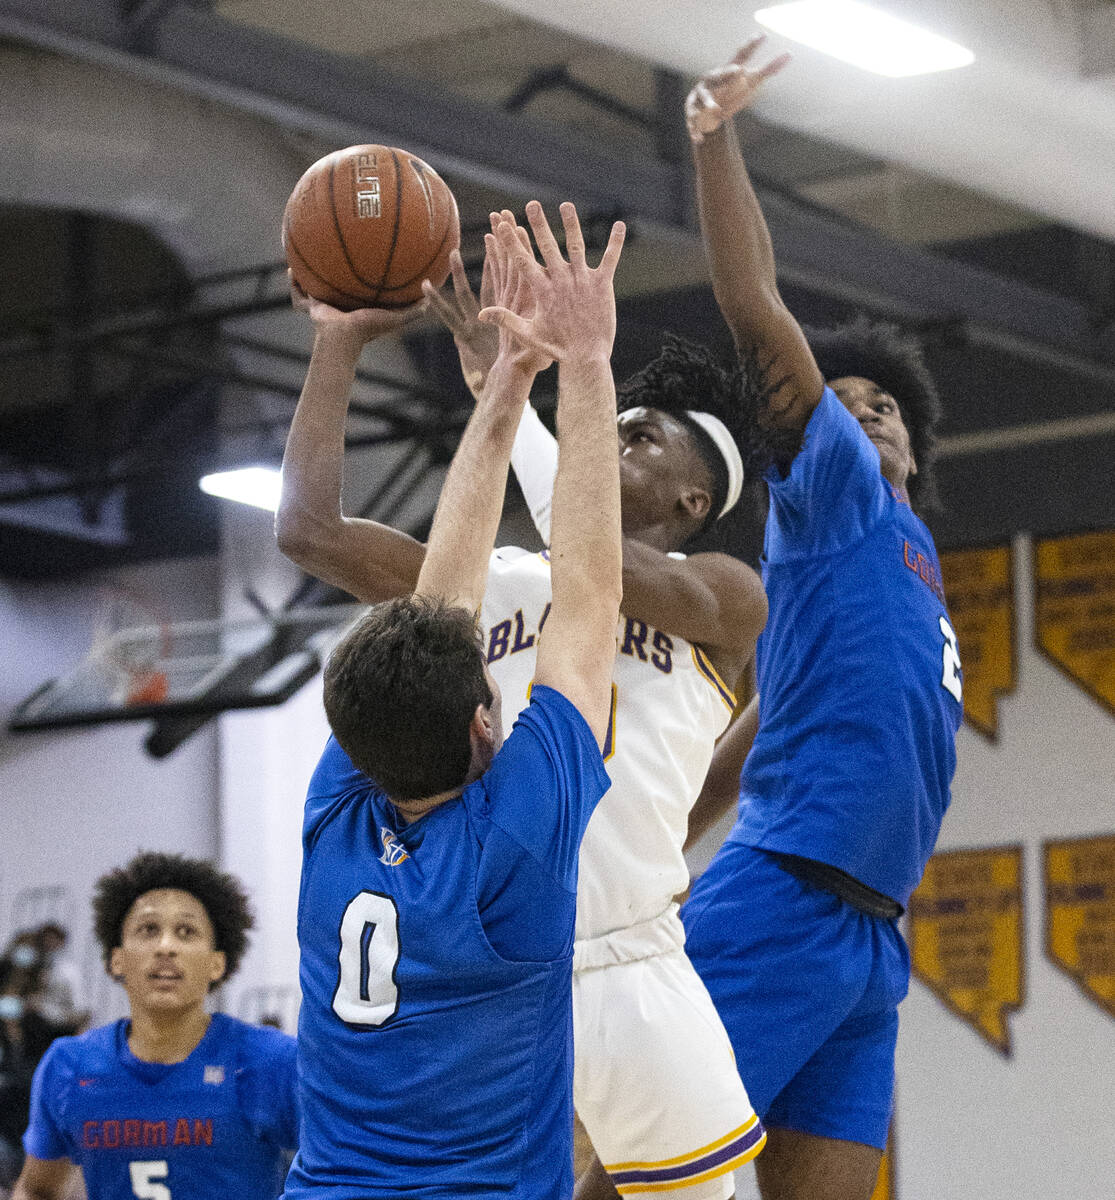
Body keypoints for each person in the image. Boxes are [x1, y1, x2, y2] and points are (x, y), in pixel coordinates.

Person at [277, 207, 771, 1196]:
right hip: (482, 965)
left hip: (628, 961)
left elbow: (603, 574)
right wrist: (346, 353)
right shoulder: (501, 576)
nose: (619, 434)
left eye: (645, 436)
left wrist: (526, 398)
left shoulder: (724, 594)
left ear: (692, 498)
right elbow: (311, 532)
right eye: (616, 425)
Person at [281, 201, 625, 1200]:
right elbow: (593, 593)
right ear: (486, 726)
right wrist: (584, 365)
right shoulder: (512, 841)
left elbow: (445, 598)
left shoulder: (337, 813)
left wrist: (518, 379)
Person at [678, 38, 964, 1200]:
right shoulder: (834, 491)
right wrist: (711, 137)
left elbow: (776, 709)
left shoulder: (911, 557)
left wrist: (665, 828)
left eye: (879, 402)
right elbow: (752, 303)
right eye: (837, 403)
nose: (859, 412)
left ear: (914, 441)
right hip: (784, 897)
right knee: (647, 1184)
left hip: (870, 935)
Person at [13, 853, 298, 1200]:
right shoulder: (69, 1066)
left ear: (216, 963)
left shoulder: (271, 1060)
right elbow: (37, 1188)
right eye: (148, 930)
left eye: (186, 931)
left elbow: (345, 1165)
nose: (166, 947)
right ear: (116, 959)